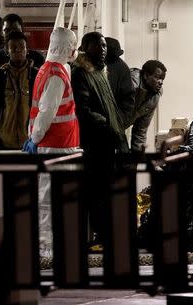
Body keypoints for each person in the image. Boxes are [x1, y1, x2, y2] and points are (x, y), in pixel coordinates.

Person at [23, 27, 81, 255]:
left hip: (54, 144)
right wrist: (36, 138)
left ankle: (50, 245)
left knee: (49, 197)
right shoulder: (57, 75)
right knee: (49, 199)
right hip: (57, 145)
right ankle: (47, 249)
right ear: (68, 47)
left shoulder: (47, 70)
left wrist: (33, 138)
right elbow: (47, 111)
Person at [71, 31, 128, 246]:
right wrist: (107, 126)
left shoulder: (98, 73)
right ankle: (102, 236)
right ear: (86, 47)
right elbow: (83, 110)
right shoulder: (81, 74)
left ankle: (106, 235)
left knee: (105, 192)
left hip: (107, 142)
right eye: (99, 46)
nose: (103, 50)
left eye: (104, 46)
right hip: (95, 144)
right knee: (97, 193)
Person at [0, 31, 38, 150]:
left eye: (22, 47)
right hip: (3, 141)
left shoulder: (36, 76)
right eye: (13, 47)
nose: (18, 50)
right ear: (7, 51)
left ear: (27, 50)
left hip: (30, 142)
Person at [0, 13, 44, 87]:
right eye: (7, 30)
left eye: (15, 30)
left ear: (22, 31)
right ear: (2, 33)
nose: (11, 34)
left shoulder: (37, 58)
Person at [127, 60, 167, 152]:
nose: (161, 82)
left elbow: (141, 130)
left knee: (129, 160)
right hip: (104, 124)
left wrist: (138, 158)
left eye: (162, 79)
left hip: (122, 124)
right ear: (145, 75)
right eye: (157, 77)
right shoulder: (131, 84)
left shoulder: (155, 95)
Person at [104, 37, 135, 128]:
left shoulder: (121, 68)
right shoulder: (123, 67)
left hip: (113, 123)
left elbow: (128, 98)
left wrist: (119, 121)